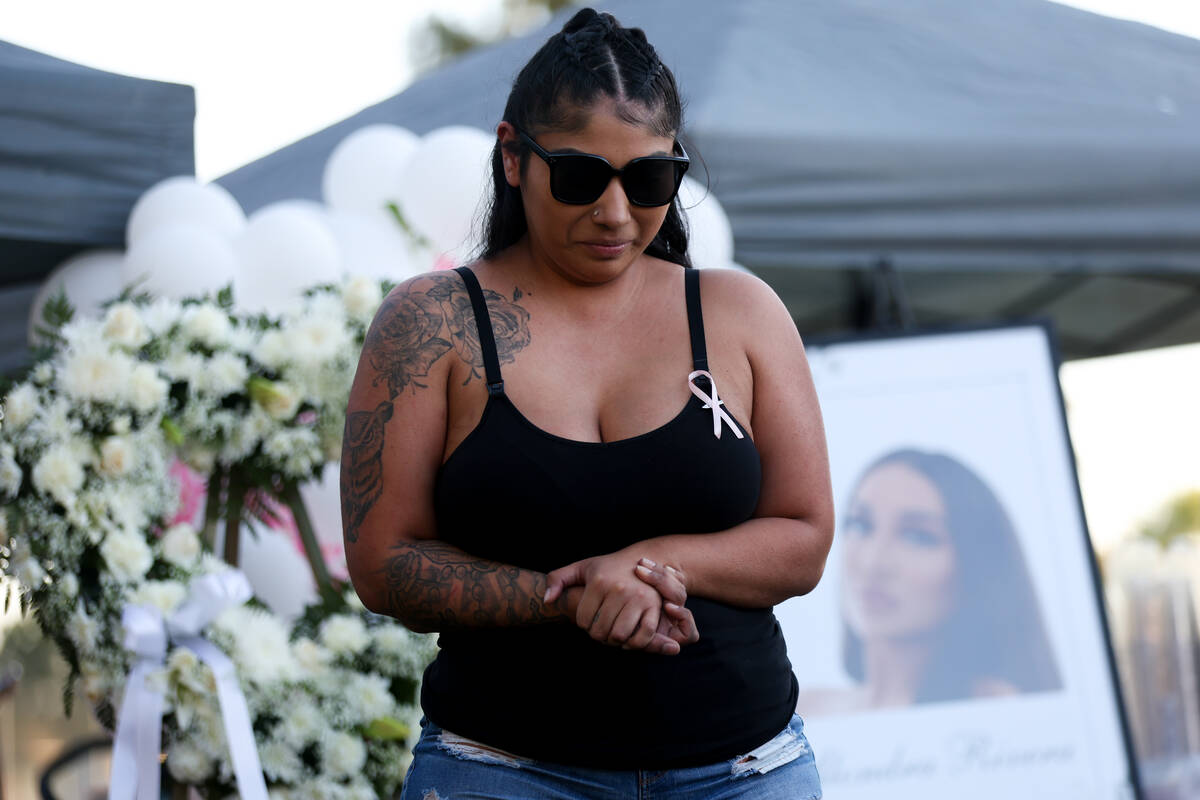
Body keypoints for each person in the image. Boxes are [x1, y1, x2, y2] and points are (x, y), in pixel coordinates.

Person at [341, 9, 834, 797]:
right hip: (500, 767)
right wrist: (568, 601)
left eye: (648, 180)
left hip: (744, 768)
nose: (614, 212)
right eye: (580, 177)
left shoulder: (741, 312)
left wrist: (647, 567)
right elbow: (384, 562)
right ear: (512, 157)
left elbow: (804, 536)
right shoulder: (431, 324)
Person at [795, 448, 1063, 716]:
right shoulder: (806, 712)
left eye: (918, 537)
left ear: (976, 567)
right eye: (861, 525)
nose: (873, 562)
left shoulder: (1002, 710)